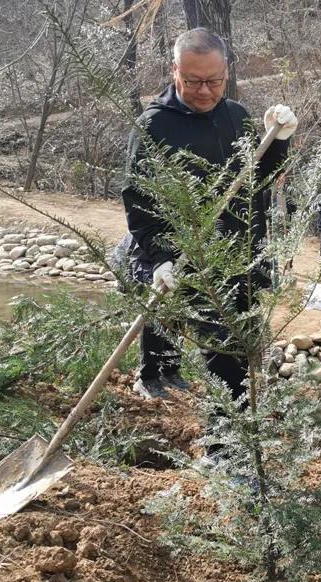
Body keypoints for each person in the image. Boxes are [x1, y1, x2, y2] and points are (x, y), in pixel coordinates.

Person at [122, 28, 297, 423]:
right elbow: (139, 203)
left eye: (214, 81)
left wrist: (279, 140)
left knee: (236, 347)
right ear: (174, 72)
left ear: (227, 73)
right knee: (221, 353)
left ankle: (231, 428)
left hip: (237, 257)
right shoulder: (153, 127)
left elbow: (261, 179)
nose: (204, 91)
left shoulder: (235, 116)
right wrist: (161, 258)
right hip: (185, 259)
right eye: (193, 80)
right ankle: (224, 445)